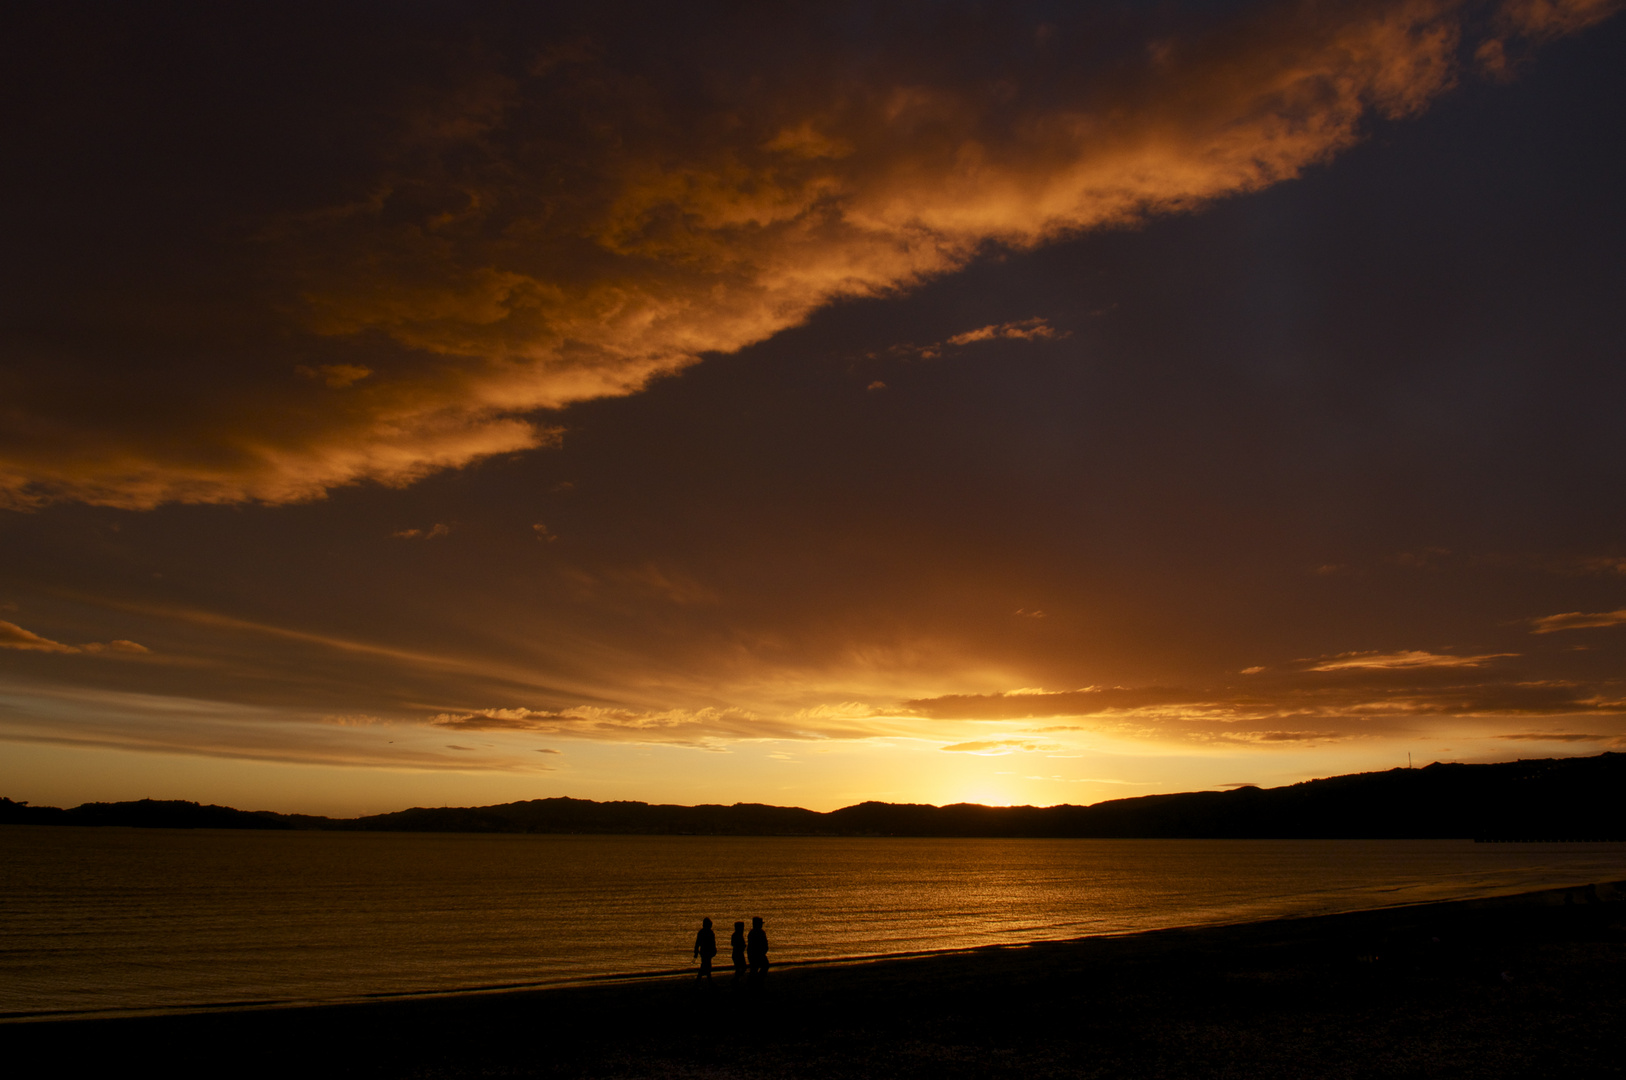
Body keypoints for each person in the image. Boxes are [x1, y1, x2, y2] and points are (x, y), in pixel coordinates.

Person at [746, 915, 769, 982]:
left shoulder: (758, 932)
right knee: (756, 968)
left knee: (757, 968)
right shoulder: (755, 933)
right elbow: (754, 945)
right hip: (756, 954)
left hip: (757, 953)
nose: (761, 925)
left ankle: (755, 981)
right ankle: (755, 981)